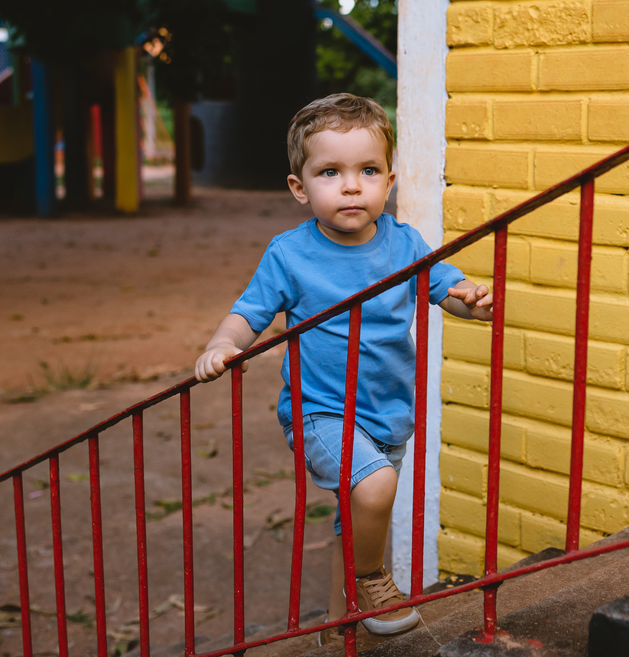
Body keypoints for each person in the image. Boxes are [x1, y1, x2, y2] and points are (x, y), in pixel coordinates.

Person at [193, 93, 493, 648]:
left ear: (389, 180)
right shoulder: (288, 254)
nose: (352, 185)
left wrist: (468, 299)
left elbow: (442, 287)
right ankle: (376, 582)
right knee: (374, 488)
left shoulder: (404, 244)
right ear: (299, 188)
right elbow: (249, 313)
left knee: (351, 532)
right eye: (331, 172)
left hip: (387, 414)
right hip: (320, 413)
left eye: (368, 170)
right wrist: (222, 344)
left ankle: (338, 637)